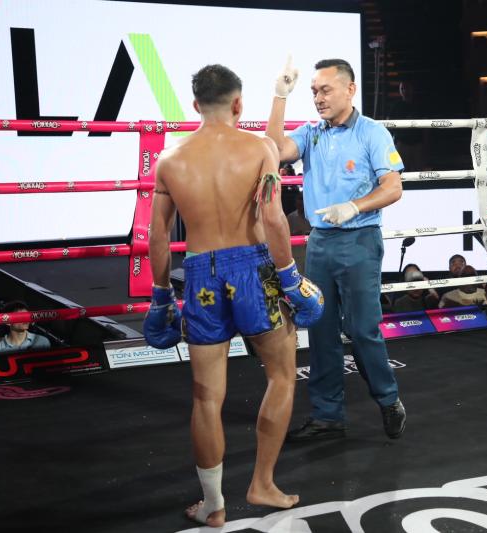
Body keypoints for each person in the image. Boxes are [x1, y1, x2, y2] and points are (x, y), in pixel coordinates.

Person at [146, 63, 323, 527]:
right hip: (254, 269)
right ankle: (262, 483)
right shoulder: (259, 149)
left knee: (206, 398)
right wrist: (290, 278)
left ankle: (213, 505)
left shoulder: (170, 160)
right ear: (239, 103)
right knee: (281, 377)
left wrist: (160, 296)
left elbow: (157, 237)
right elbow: (274, 219)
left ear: (195, 105)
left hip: (200, 276)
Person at [266, 56, 407, 442]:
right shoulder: (311, 133)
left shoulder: (372, 133)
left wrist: (355, 206)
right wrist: (280, 96)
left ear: (350, 89)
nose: (318, 98)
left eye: (325, 90)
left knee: (362, 329)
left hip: (360, 240)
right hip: (321, 243)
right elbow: (273, 150)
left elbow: (393, 187)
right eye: (314, 91)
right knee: (321, 329)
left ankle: (388, 399)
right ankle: (327, 415)